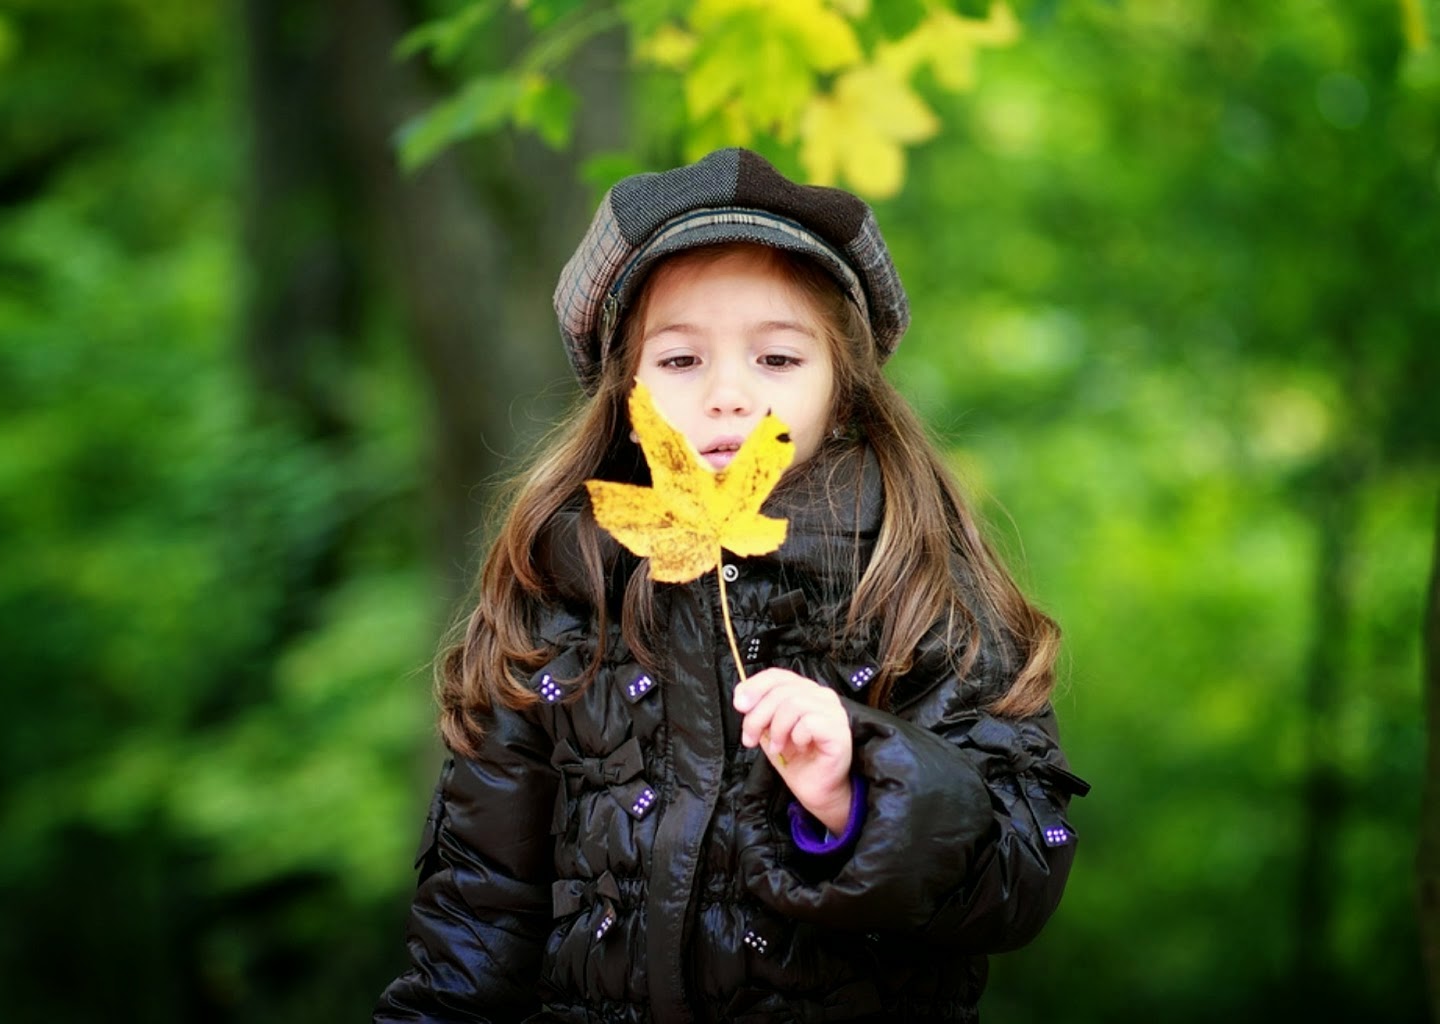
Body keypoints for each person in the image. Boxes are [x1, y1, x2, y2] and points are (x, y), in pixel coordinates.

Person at [374, 147, 1089, 1023]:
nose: (728, 395)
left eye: (778, 360)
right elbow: (477, 927)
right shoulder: (560, 600)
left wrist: (859, 788)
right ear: (624, 393)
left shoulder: (911, 585)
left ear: (845, 390)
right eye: (680, 361)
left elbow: (1022, 867)